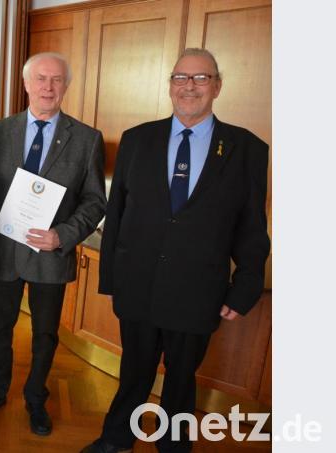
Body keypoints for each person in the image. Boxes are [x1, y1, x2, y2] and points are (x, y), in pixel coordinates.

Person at [81, 48, 270, 453]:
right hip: (139, 285)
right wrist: (111, 277)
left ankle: (173, 444)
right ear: (170, 85)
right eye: (181, 77)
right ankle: (116, 438)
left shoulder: (247, 148)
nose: (190, 87)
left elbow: (253, 225)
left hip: (199, 290)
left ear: (217, 86)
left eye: (201, 78)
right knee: (134, 372)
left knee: (182, 378)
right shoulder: (137, 139)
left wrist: (246, 286)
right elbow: (116, 217)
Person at [0, 52, 106, 435]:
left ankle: (35, 397)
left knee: (45, 335)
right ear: (26, 84)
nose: (48, 86)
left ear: (66, 86)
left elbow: (96, 200)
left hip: (50, 256)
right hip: (3, 253)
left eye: (57, 80)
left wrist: (63, 234)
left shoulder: (87, 139)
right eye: (40, 79)